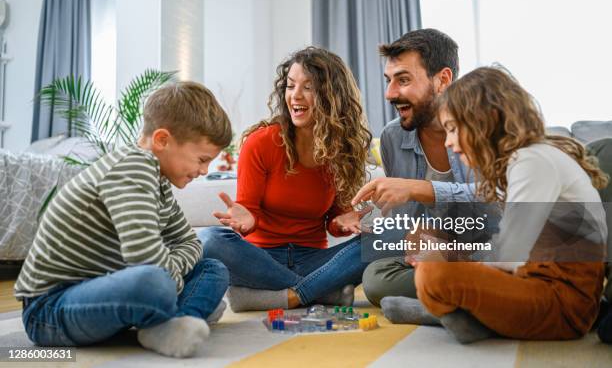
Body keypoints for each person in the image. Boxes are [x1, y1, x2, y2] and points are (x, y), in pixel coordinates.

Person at [382, 67, 609, 343]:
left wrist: (448, 259)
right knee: (431, 254)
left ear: (486, 120)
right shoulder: (519, 164)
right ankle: (466, 317)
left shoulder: (531, 161)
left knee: (434, 274)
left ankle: (451, 315)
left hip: (562, 303)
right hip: (531, 281)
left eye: (453, 129)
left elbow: (509, 256)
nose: (450, 143)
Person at [14, 82, 233, 358]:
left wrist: (170, 271)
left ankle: (171, 321)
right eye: (201, 159)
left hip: (105, 287)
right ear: (162, 140)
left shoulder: (160, 181)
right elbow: (146, 259)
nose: (204, 171)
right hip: (49, 310)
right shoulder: (133, 166)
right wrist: (171, 278)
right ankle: (180, 311)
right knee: (154, 281)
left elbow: (188, 241)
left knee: (213, 269)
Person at [198, 46, 372, 312]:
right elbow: (249, 213)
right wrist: (247, 220)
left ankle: (286, 296)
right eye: (290, 86)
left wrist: (342, 222)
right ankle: (320, 292)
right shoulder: (262, 142)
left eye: (308, 87)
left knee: (383, 238)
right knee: (209, 240)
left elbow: (334, 222)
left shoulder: (340, 150)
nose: (295, 96)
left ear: (332, 96)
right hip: (262, 260)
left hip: (314, 258)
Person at [352, 29, 478, 306]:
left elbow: (496, 201)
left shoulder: (480, 128)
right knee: (375, 277)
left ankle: (460, 288)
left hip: (487, 245)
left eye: (403, 80)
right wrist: (364, 218)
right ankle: (469, 291)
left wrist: (420, 189)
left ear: (443, 79)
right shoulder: (392, 137)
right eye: (389, 81)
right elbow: (409, 224)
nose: (389, 94)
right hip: (437, 253)